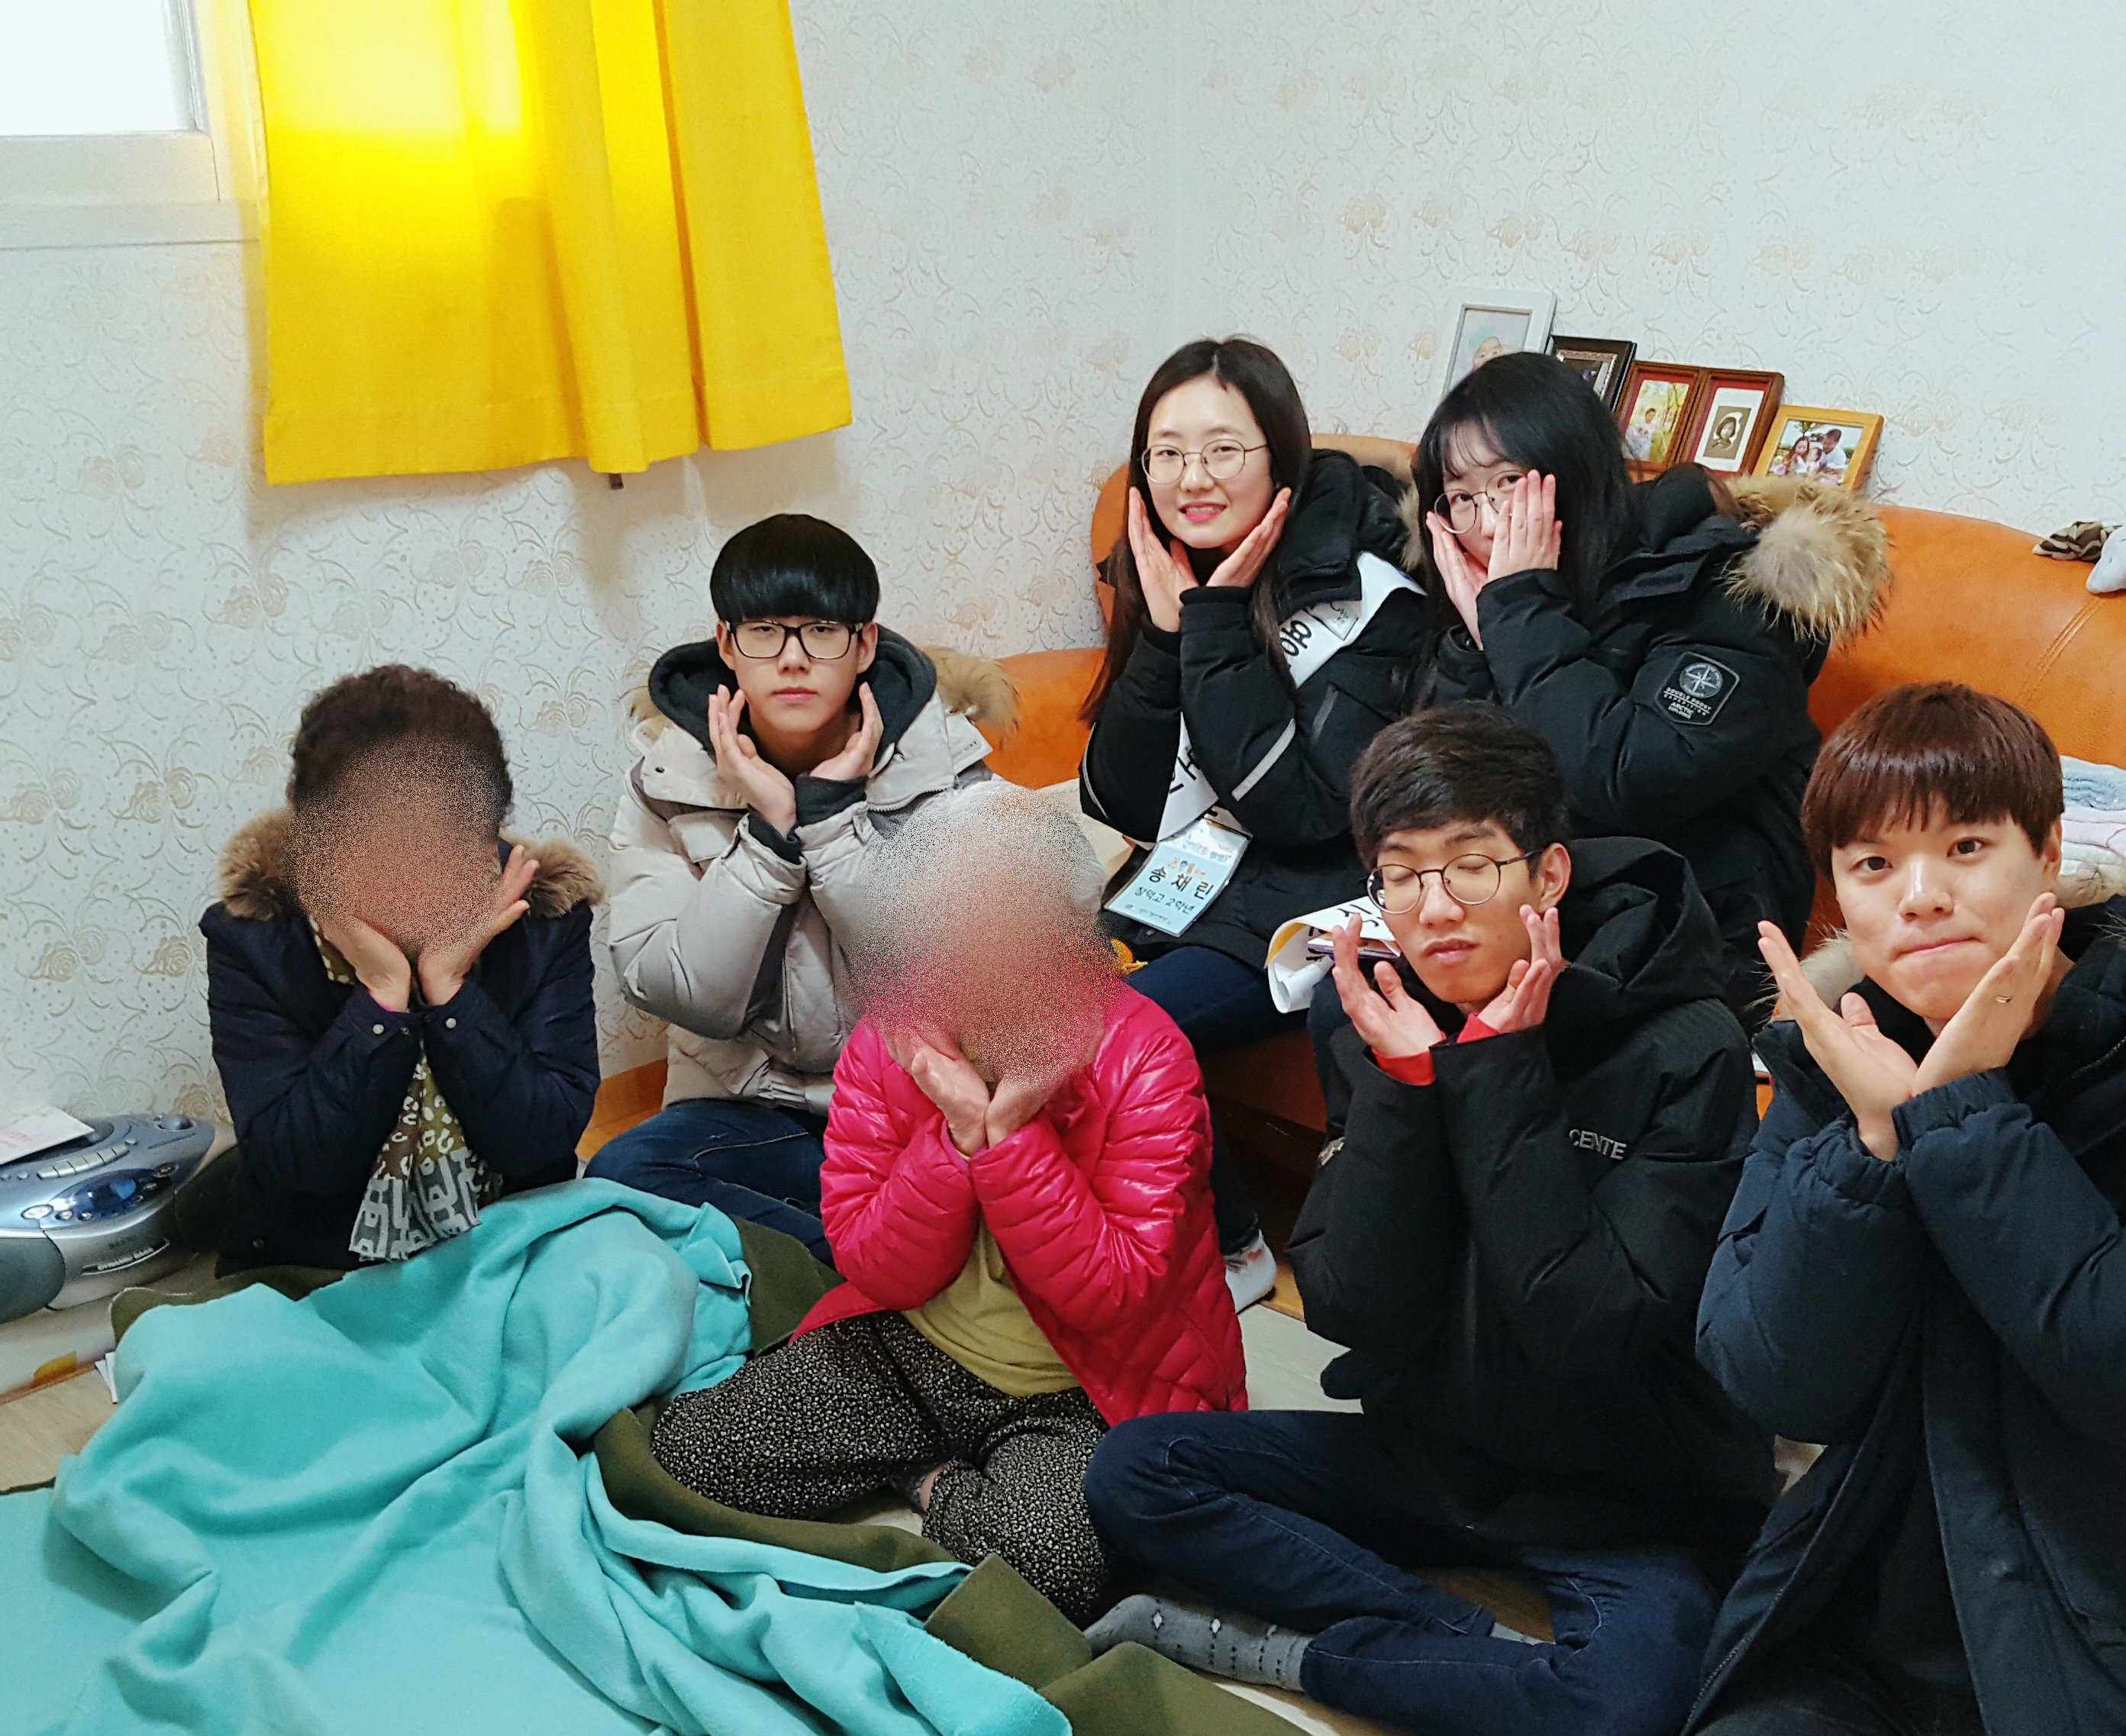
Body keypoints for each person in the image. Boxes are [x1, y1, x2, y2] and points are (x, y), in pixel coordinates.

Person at [1615, 682, 2126, 1736]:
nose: (1921, 896)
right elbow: (1773, 1376)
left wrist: (1958, 1115)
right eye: (1873, 865)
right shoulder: (1844, 1056)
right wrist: (1872, 1147)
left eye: (1967, 847)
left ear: (2047, 854)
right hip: (1867, 1636)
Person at [1082, 706, 1777, 1736]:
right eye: (1401, 875)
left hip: (1628, 1486)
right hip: (1432, 1448)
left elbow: (1587, 1326)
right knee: (1137, 1474)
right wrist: (1406, 1090)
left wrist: (1498, 1067)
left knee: (1624, 1706)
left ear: (1548, 873)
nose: (1436, 907)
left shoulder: (1684, 1040)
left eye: (1471, 864)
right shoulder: (1375, 1014)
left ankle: (1294, 1658)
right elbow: (1351, 1303)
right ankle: (1478, 1663)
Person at [647, 785, 1246, 1623]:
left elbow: (1112, 1295)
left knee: (1057, 1568)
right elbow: (873, 1266)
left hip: (1082, 1384)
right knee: (691, 1455)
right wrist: (954, 1141)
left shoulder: (1147, 1057)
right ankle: (926, 1465)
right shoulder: (893, 1040)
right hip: (912, 1344)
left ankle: (930, 1481)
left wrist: (1008, 1138)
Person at [1078, 337, 1429, 1305]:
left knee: (1116, 1027)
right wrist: (1163, 637)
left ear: (1282, 454)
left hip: (1315, 893)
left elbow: (1306, 811)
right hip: (1194, 874)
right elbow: (1120, 801)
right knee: (1004, 985)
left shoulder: (1369, 595)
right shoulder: (1162, 565)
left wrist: (1216, 620)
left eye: (1224, 449)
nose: (1193, 478)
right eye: (1167, 452)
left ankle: (1233, 1248)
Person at [1415, 349, 1886, 1023]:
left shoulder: (1733, 591)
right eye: (1463, 498)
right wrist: (1478, 642)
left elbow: (1624, 783)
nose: (1489, 525)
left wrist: (1518, 613)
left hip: (1688, 931)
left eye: (1509, 484)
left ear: (1575, 473)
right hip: (1535, 909)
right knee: (1351, 994)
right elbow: (1430, 796)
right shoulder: (1513, 603)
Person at [592, 513, 1015, 1261]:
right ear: (727, 646)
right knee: (622, 1180)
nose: (792, 659)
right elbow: (682, 990)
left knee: (1040, 1172)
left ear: (865, 644)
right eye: (764, 632)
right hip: (751, 1106)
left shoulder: (940, 764)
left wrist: (830, 821)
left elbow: (953, 976)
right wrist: (770, 835)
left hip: (914, 1101)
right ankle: (878, 1275)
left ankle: (865, 1264)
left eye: (821, 631)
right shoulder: (668, 780)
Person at [188, 665, 602, 1272]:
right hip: (325, 1265)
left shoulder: (542, 917)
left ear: (487, 836)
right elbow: (297, 1164)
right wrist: (383, 998)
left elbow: (541, 1143)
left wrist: (451, 994)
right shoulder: (258, 936)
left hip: (509, 1239)